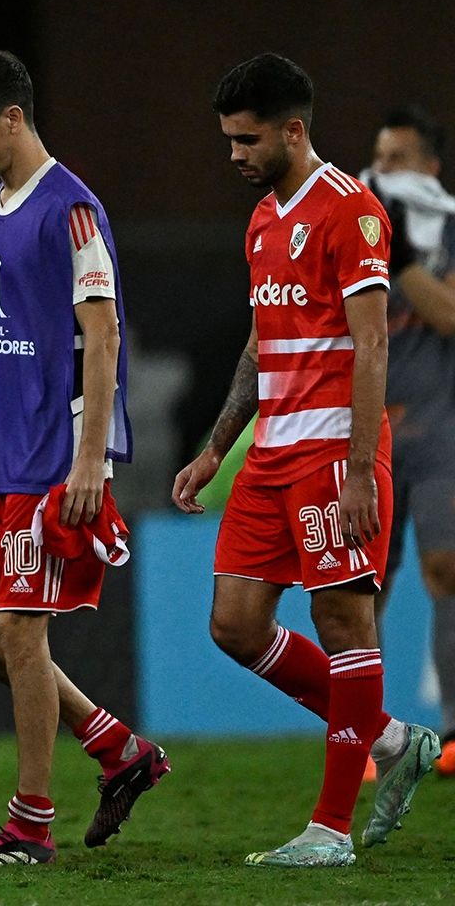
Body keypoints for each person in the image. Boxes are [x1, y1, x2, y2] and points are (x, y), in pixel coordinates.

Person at [171, 55, 440, 867]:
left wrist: (362, 470)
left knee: (344, 621)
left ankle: (330, 831)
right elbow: (263, 342)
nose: (234, 154)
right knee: (235, 626)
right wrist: (217, 446)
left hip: (332, 451)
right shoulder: (261, 220)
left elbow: (370, 346)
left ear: (294, 128)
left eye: (246, 139)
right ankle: (393, 737)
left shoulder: (352, 212)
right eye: (227, 140)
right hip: (272, 452)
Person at [0, 51, 165, 865]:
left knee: (21, 634)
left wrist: (91, 460)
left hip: (53, 459)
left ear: (13, 118)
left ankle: (30, 824)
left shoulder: (74, 210)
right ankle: (117, 748)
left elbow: (104, 333)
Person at [360, 105, 455, 776]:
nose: (385, 170)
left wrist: (396, 258)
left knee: (447, 570)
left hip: (439, 429)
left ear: (430, 168)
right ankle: (367, 738)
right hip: (366, 431)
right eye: (379, 157)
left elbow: (450, 315)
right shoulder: (354, 227)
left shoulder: (446, 231)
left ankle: (453, 733)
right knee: (363, 587)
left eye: (398, 158)